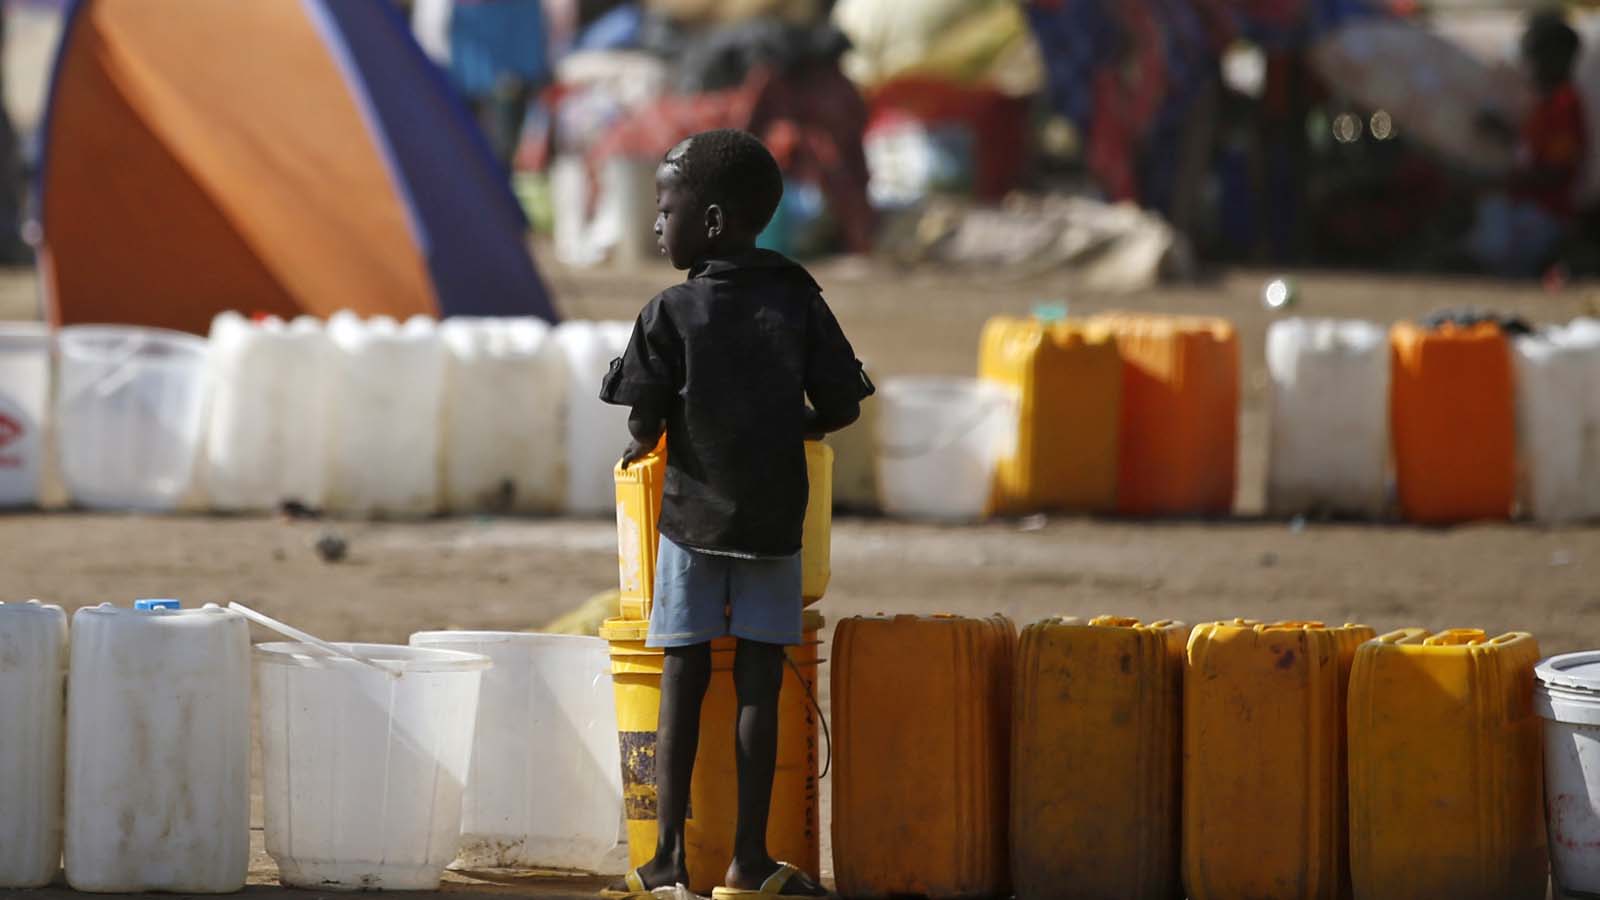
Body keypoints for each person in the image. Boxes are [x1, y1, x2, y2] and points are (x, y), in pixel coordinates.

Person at [599, 129, 871, 900]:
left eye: (666, 208)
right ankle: (750, 861)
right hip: (774, 527)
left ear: (711, 221)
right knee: (759, 684)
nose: (657, 224)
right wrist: (794, 426)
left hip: (690, 526)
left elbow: (643, 418)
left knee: (682, 678)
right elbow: (842, 405)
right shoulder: (798, 298)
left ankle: (667, 861)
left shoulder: (672, 311)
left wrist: (645, 438)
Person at [1470, 10, 1587, 277]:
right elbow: (1532, 149)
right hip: (1527, 207)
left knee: (1493, 236)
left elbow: (1557, 171)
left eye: (1536, 55)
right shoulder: (1544, 104)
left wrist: (1501, 183)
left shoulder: (1565, 105)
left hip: (1545, 213)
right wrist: (1502, 131)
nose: (1530, 64)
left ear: (1558, 57)